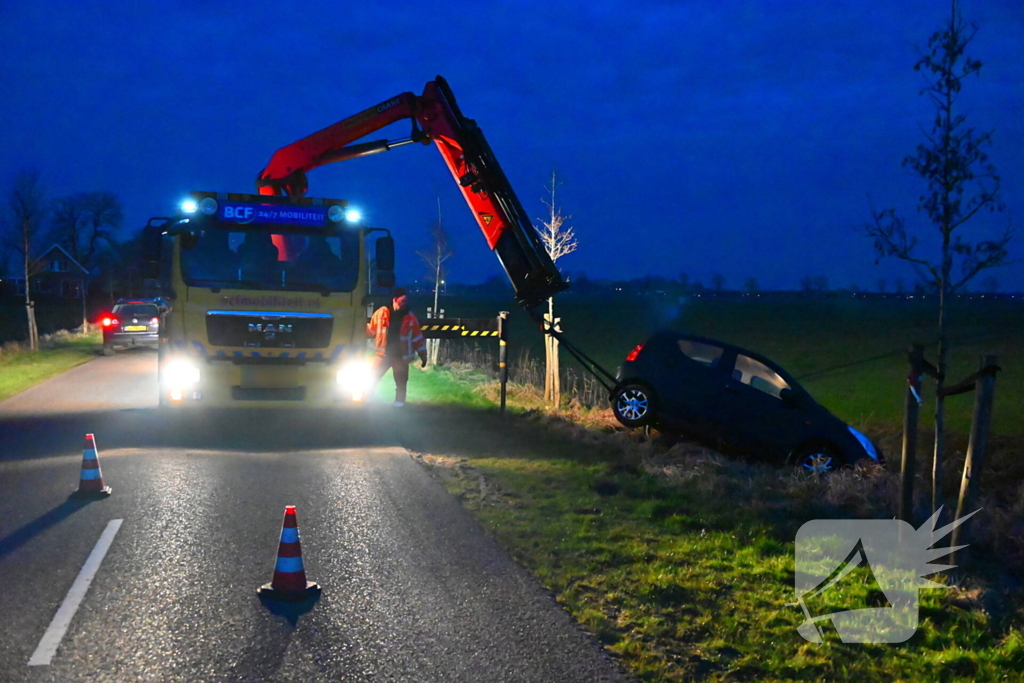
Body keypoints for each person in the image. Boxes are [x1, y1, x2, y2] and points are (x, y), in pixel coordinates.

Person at [366, 287, 427, 407]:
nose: (405, 303)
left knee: (401, 382)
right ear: (395, 299)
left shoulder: (410, 318)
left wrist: (423, 356)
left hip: (400, 357)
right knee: (372, 378)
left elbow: (417, 338)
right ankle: (367, 400)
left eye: (406, 301)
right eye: (402, 301)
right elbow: (371, 330)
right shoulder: (381, 313)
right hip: (383, 355)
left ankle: (399, 404)